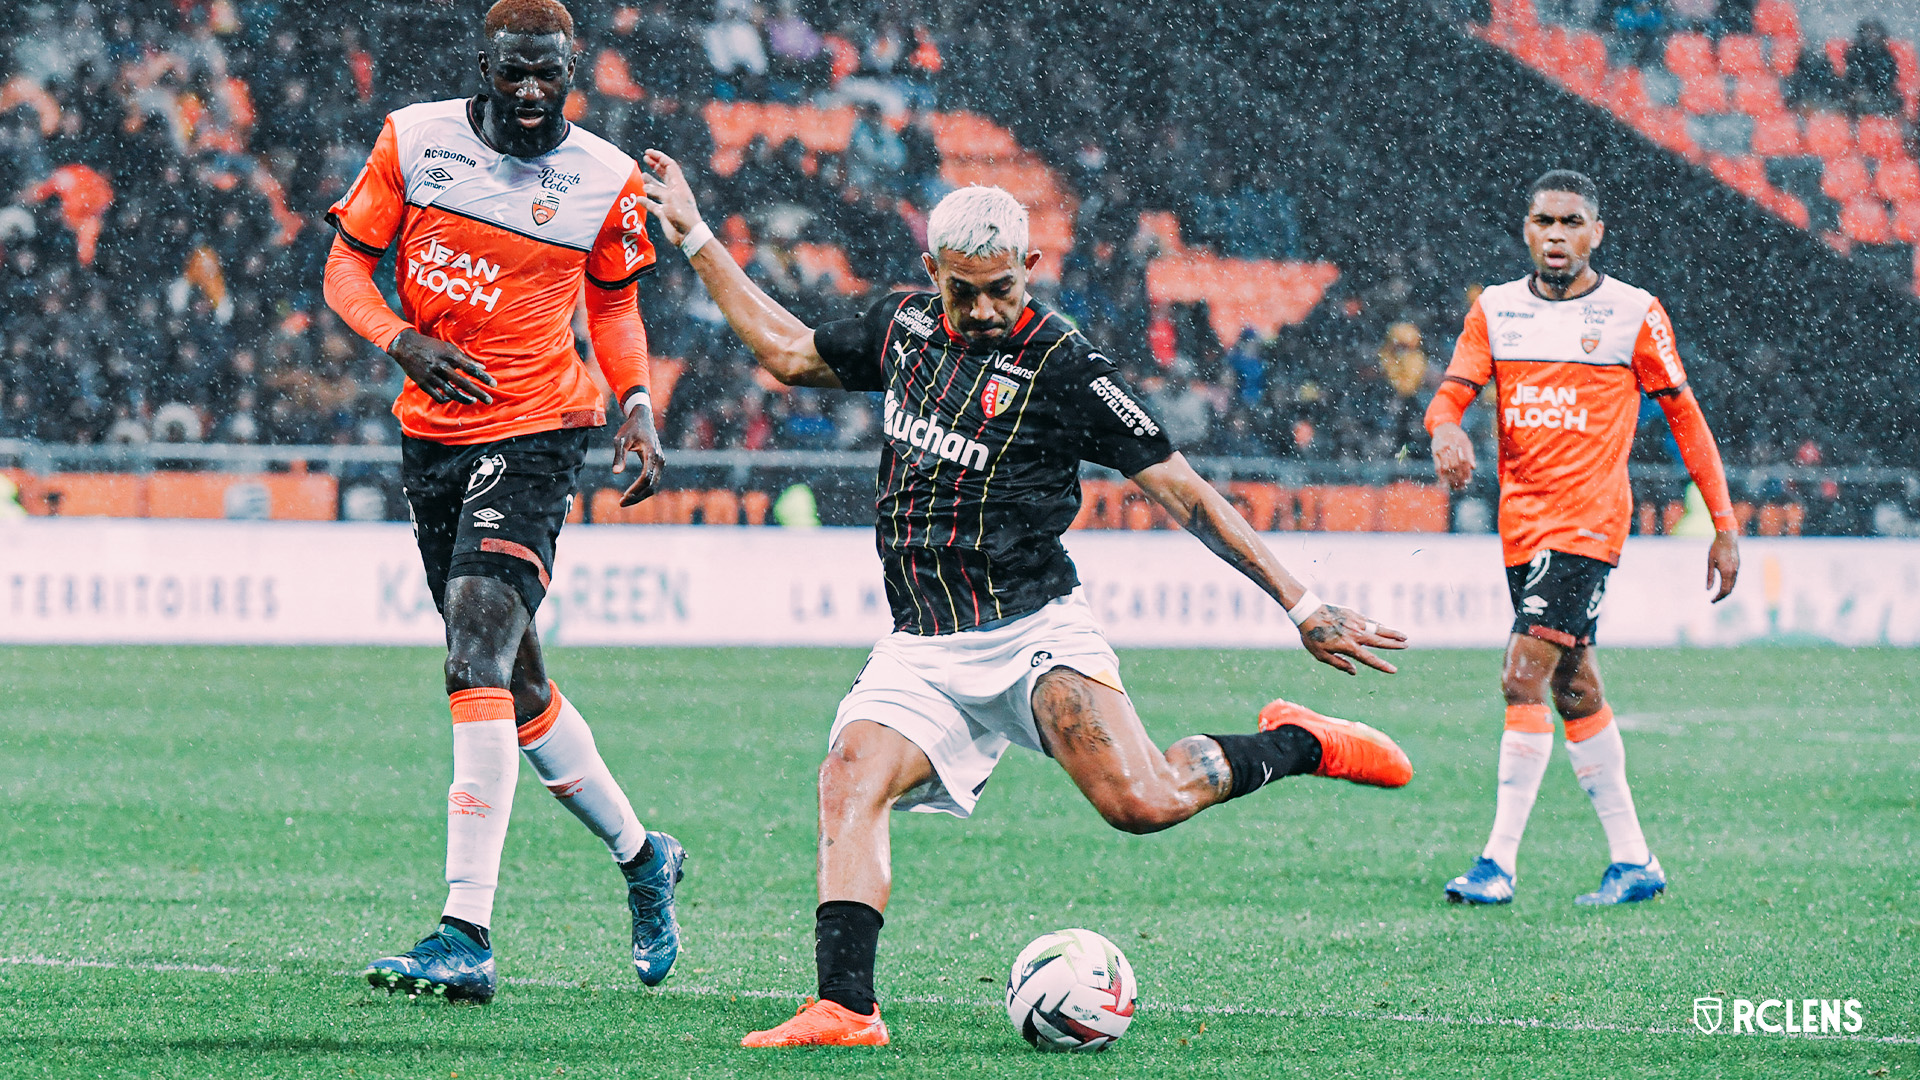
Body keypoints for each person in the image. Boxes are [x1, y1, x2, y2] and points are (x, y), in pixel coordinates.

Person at [638, 159, 1415, 1048]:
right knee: (847, 778)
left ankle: (1299, 742)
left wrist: (1302, 602)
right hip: (922, 641)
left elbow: (1188, 494)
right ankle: (847, 1008)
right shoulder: (902, 328)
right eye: (962, 291)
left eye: (1000, 289)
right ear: (932, 272)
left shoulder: (1065, 365)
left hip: (1032, 635)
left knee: (1142, 802)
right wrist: (696, 238)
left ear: (1032, 265)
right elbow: (785, 353)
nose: (981, 309)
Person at [321, 0, 684, 1003]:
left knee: (472, 648)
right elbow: (346, 264)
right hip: (433, 433)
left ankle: (463, 932)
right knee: (514, 683)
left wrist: (639, 404)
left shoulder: (605, 179)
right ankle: (642, 853)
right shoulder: (415, 139)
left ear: (574, 67)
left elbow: (612, 300)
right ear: (484, 64)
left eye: (550, 74)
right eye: (514, 72)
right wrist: (400, 339)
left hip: (537, 429)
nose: (532, 92)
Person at [1425, 170, 1740, 908]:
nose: (1557, 235)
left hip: (1588, 522)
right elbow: (1452, 392)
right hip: (1521, 526)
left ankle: (1496, 863)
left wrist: (1724, 524)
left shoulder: (1633, 312)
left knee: (1521, 676)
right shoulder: (1496, 311)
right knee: (1574, 685)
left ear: (1597, 232)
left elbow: (1685, 417)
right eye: (1544, 222)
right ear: (1526, 229)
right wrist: (1444, 428)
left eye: (1572, 223)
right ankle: (1635, 860)